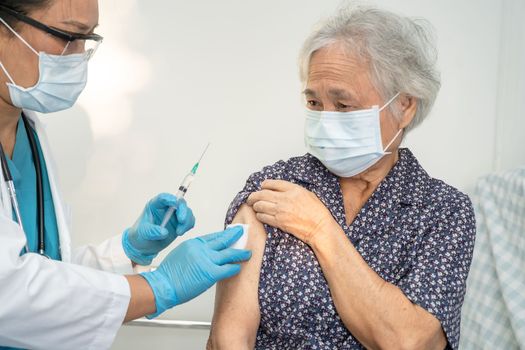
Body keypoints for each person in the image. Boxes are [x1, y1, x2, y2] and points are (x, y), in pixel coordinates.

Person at [207, 5, 476, 350]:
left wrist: (321, 230)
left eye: (344, 105)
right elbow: (230, 336)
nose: (326, 119)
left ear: (405, 106)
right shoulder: (274, 186)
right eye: (315, 103)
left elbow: (410, 341)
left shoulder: (443, 212)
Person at [0, 1, 251, 349]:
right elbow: (10, 291)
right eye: (67, 36)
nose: (79, 55)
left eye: (88, 39)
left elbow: (49, 268)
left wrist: (128, 249)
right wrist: (160, 286)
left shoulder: (30, 131)